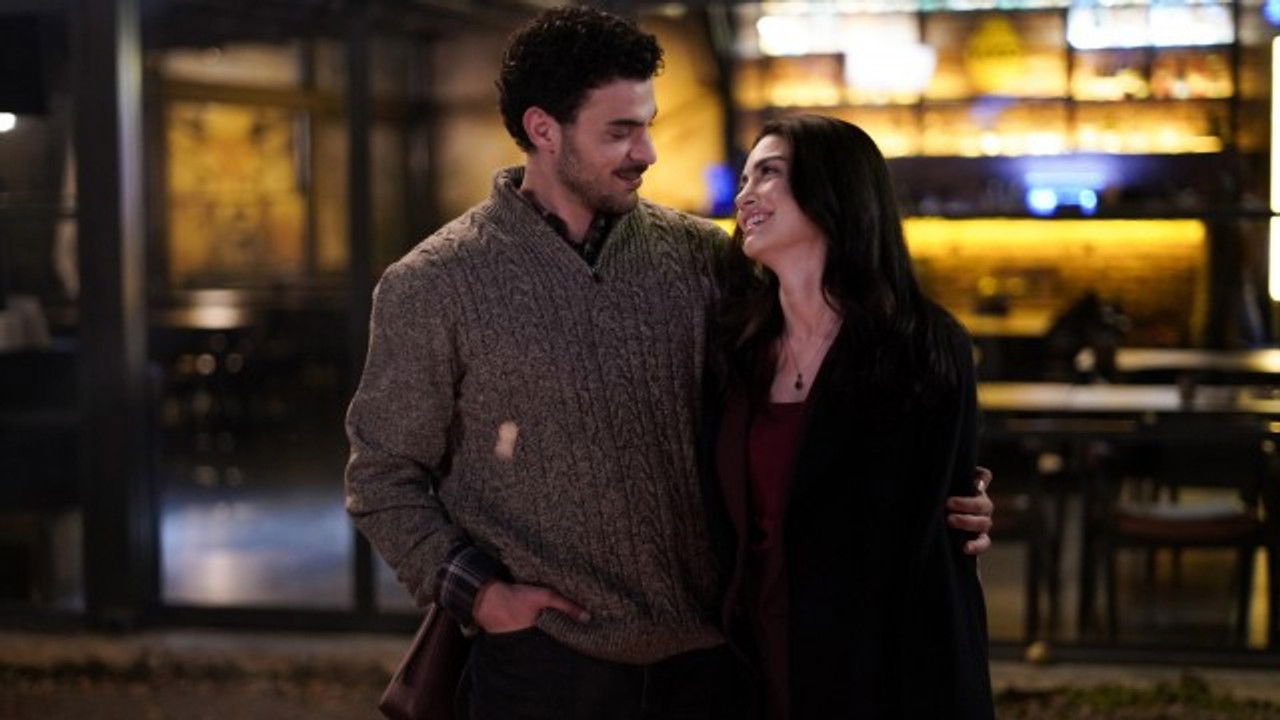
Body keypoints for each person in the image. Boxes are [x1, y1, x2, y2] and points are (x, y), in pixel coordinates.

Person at [344, 7, 993, 719]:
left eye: (648, 125)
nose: (647, 152)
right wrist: (482, 595)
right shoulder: (435, 285)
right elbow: (382, 478)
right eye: (620, 131)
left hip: (713, 661)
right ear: (543, 130)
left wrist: (940, 488)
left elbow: (823, 382)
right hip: (546, 665)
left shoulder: (706, 258)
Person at [710, 115, 996, 719]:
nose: (744, 196)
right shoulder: (736, 347)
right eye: (744, 179)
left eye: (768, 173)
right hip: (755, 654)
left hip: (880, 664)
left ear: (832, 189)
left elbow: (937, 532)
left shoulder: (922, 345)